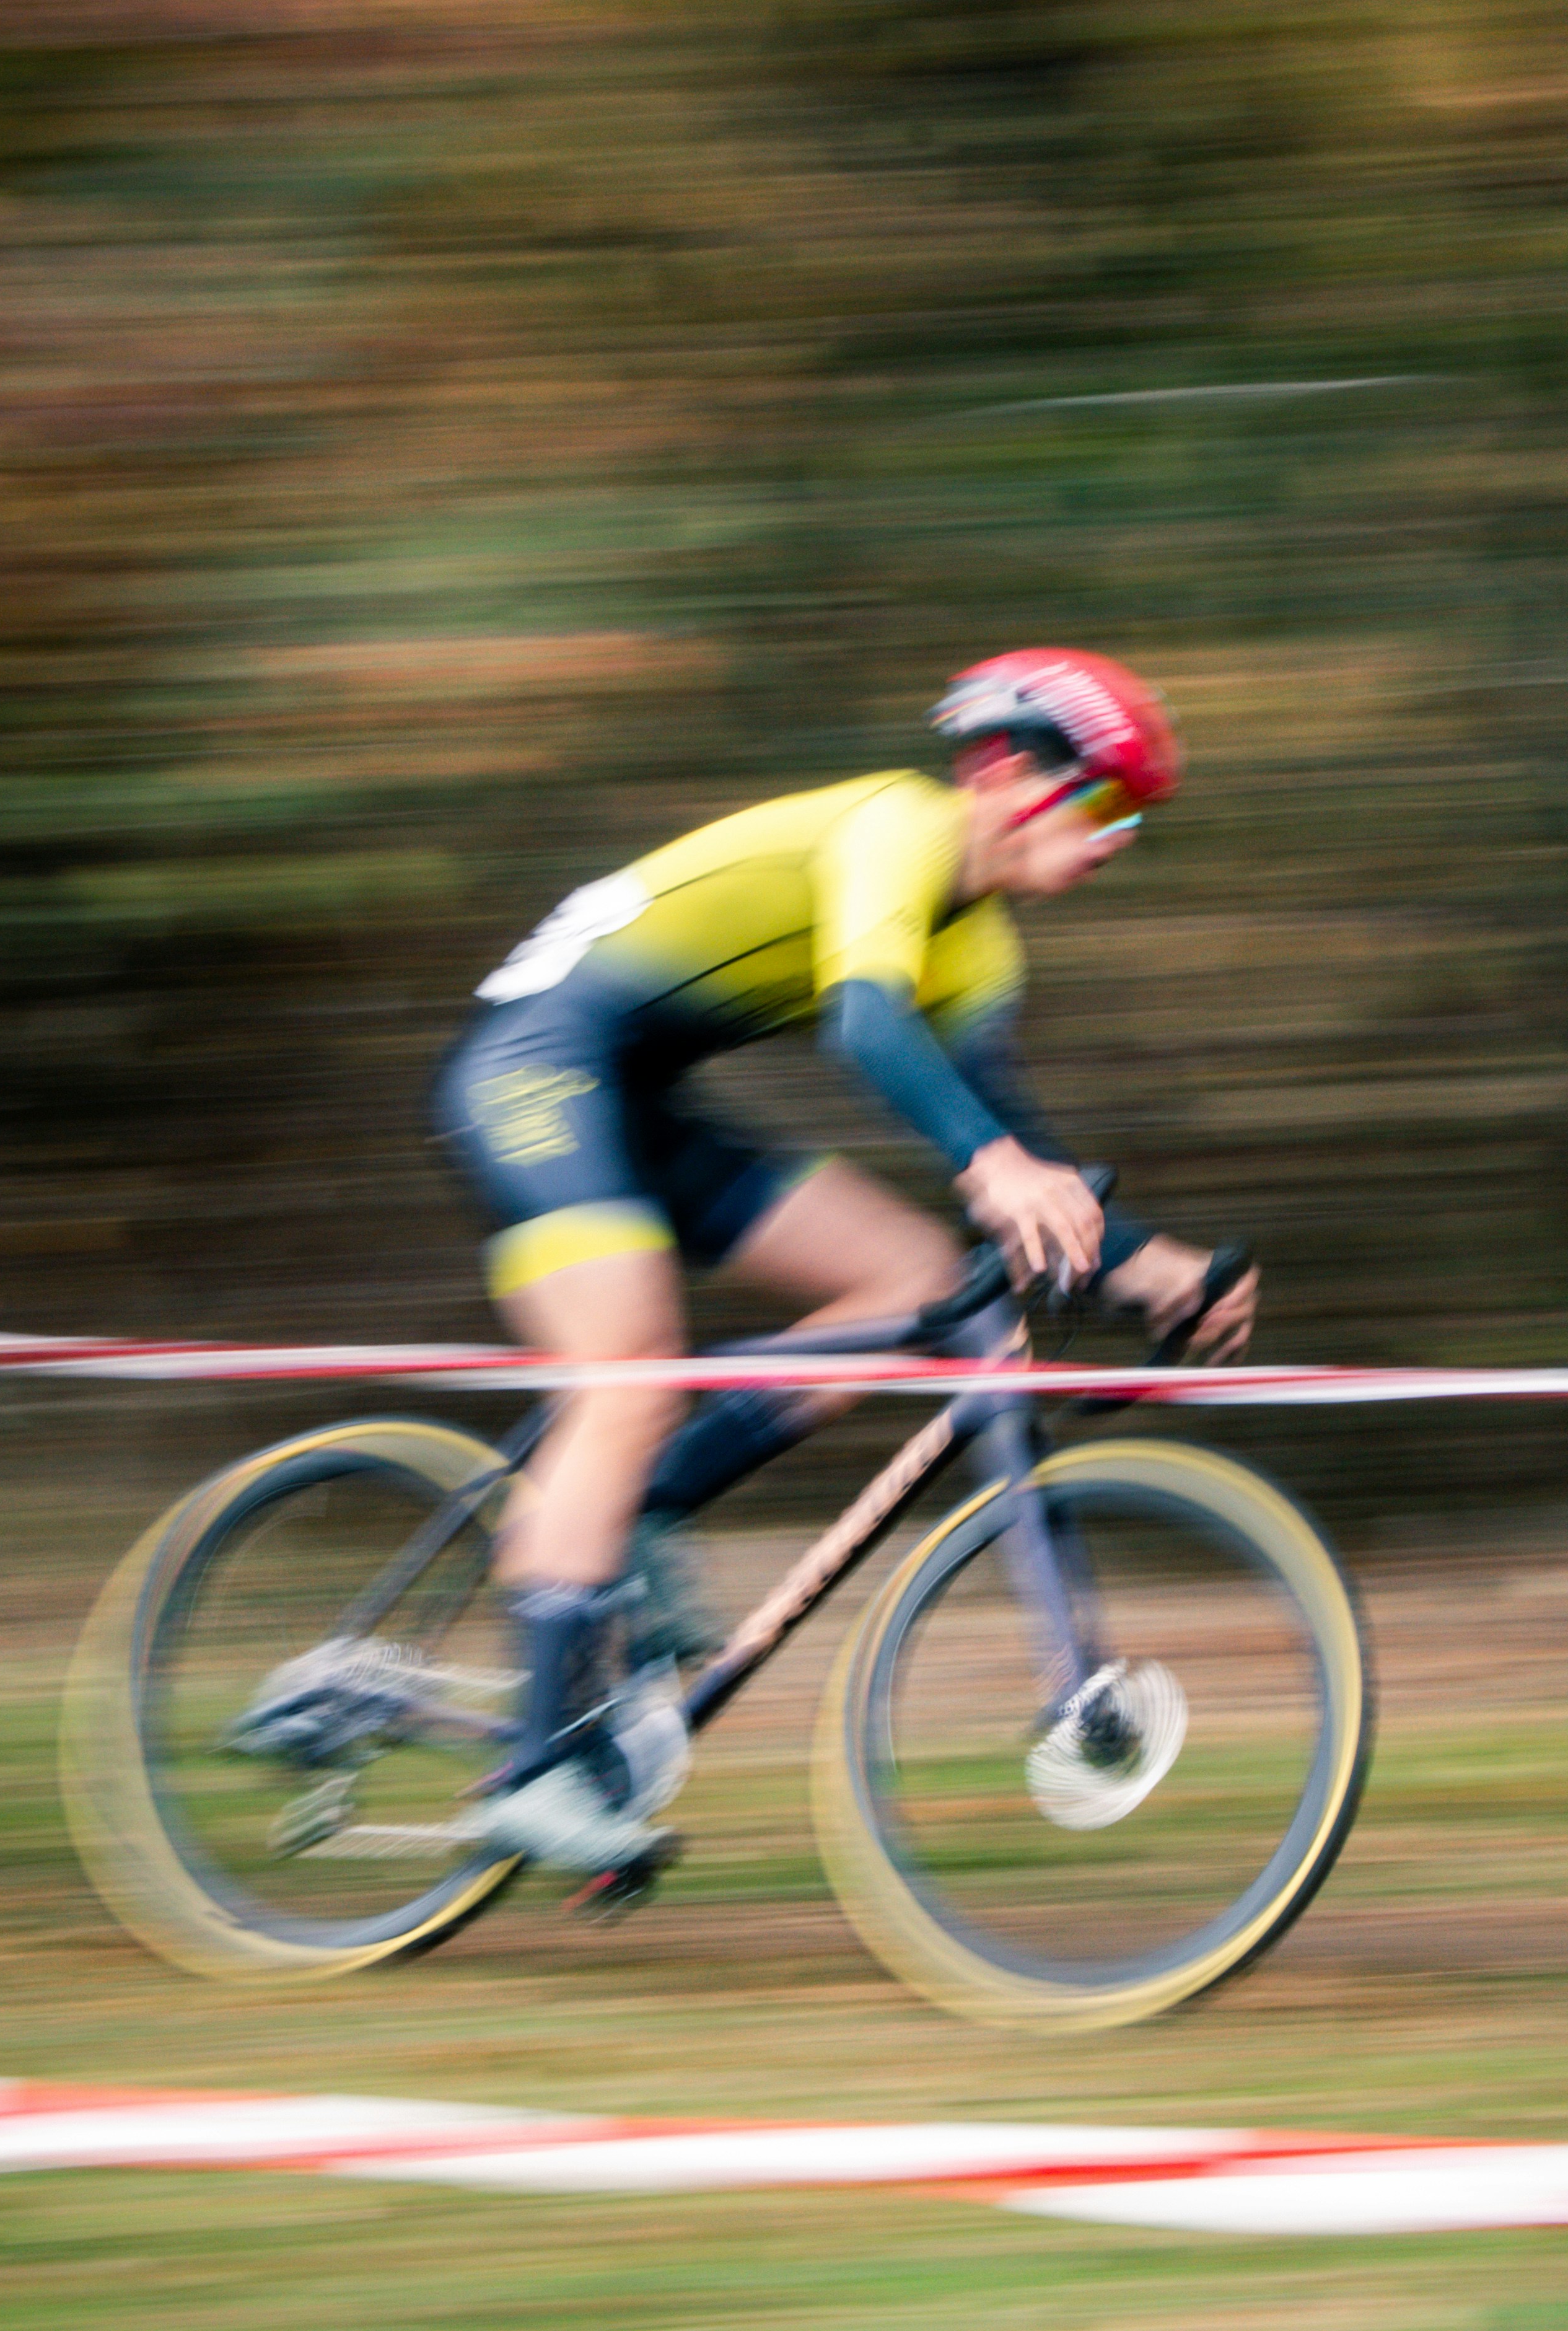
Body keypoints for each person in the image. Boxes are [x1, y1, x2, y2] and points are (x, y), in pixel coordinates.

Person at [434, 646, 1259, 1876]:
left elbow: (1016, 1147)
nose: (1116, 836)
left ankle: (643, 1493)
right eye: (1100, 799)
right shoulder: (897, 825)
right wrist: (993, 1167)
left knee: (923, 1281)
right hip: (535, 1070)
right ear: (1000, 770)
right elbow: (867, 1021)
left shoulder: (981, 945)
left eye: (1133, 815)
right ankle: (533, 1773)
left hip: (636, 1104)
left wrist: (1160, 1270)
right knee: (632, 1364)